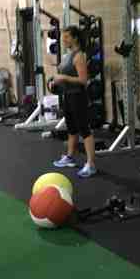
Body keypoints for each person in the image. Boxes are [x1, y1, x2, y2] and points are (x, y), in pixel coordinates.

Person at [51, 26, 97, 178]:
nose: (63, 40)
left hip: (78, 96)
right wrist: (54, 82)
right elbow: (62, 76)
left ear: (75, 38)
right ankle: (69, 157)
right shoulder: (67, 55)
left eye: (67, 37)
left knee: (84, 129)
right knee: (71, 128)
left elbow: (83, 80)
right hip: (68, 95)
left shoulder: (79, 56)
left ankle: (91, 164)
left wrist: (63, 78)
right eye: (63, 37)